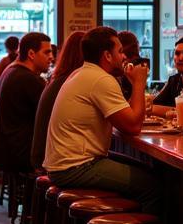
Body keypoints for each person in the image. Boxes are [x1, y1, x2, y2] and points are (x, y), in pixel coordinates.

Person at [43, 26, 157, 210]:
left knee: (146, 169)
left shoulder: (81, 72)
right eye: (120, 51)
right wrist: (138, 83)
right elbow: (133, 126)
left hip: (62, 164)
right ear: (107, 56)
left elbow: (125, 116)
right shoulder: (101, 79)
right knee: (151, 185)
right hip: (76, 167)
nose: (124, 57)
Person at [0, 31, 52, 176]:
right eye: (47, 52)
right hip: (21, 153)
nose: (51, 57)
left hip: (7, 149)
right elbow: (52, 116)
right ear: (31, 53)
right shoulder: (28, 78)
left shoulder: (10, 70)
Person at [30, 30, 85, 171]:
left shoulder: (59, 79)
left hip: (42, 154)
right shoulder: (73, 81)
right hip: (51, 159)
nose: (51, 57)